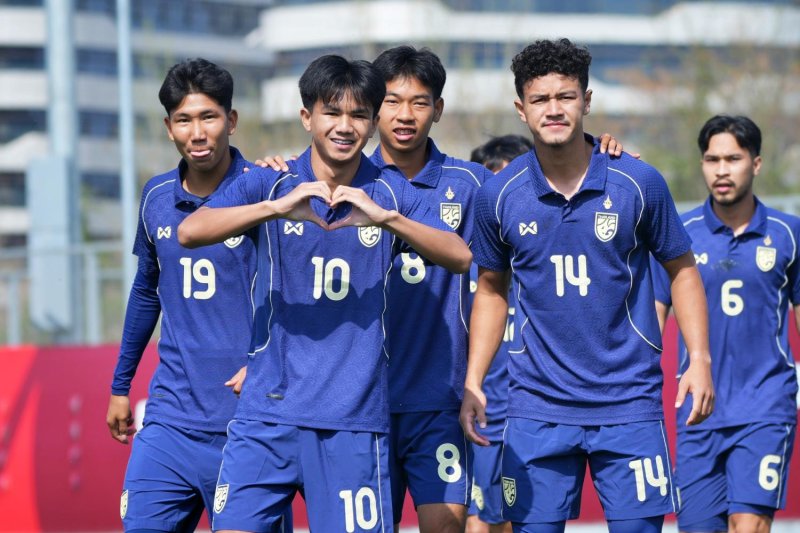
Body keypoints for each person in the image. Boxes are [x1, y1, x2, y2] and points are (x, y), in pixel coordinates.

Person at [177, 54, 472, 533]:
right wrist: (274, 209)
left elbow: (460, 256)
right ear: (306, 117)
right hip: (266, 416)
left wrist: (387, 219)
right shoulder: (269, 181)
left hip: (352, 423)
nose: (345, 126)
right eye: (332, 113)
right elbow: (190, 231)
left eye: (358, 115)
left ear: (371, 123)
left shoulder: (390, 192)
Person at [459, 38, 715, 533]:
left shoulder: (639, 182)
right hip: (536, 407)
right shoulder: (500, 194)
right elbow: (491, 289)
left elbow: (682, 270)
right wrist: (473, 379)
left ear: (587, 101)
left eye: (566, 96)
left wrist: (699, 360)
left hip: (630, 404)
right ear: (521, 109)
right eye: (540, 99)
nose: (553, 110)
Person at [105, 58, 294, 532]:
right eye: (184, 120)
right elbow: (147, 291)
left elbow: (297, 293)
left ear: (231, 121)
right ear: (169, 128)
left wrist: (266, 360)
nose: (198, 132)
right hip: (169, 419)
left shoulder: (268, 190)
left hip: (250, 425)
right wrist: (120, 386)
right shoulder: (155, 197)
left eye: (209, 117)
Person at [652, 115, 799, 533]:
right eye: (711, 159)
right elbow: (653, 322)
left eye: (732, 159)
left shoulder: (790, 235)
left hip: (766, 407)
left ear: (756, 163)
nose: (720, 170)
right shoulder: (679, 234)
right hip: (697, 411)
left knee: (748, 525)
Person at [466, 134, 532, 533]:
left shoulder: (542, 251)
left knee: (525, 517)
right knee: (478, 519)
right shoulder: (459, 254)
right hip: (482, 411)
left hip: (536, 408)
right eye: (493, 182)